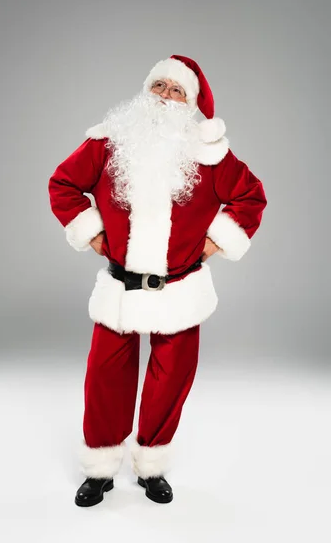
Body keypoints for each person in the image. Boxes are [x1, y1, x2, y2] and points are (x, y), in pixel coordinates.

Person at [48, 54, 267, 507]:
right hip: (120, 286)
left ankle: (151, 464)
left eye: (177, 90)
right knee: (106, 376)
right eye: (159, 86)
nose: (165, 96)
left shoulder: (210, 153)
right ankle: (101, 467)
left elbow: (250, 196)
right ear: (146, 90)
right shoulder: (110, 142)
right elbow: (64, 184)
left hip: (180, 288)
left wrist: (215, 242)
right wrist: (91, 232)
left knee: (171, 379)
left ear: (192, 104)